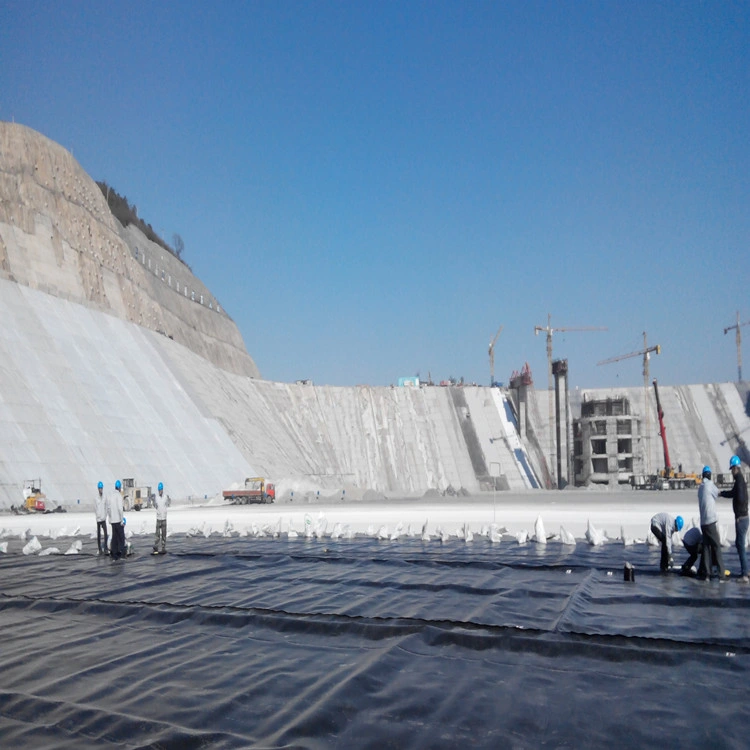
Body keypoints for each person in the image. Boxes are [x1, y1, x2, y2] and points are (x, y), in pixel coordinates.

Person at [719, 455, 748, 583]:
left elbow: (740, 498)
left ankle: (745, 575)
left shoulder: (740, 481)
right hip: (743, 518)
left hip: (741, 519)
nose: (731, 472)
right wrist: (722, 493)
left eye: (732, 469)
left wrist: (739, 514)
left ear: (736, 468)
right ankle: (746, 570)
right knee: (739, 544)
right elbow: (733, 493)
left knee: (740, 545)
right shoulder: (740, 481)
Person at [698, 465, 724, 580]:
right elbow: (717, 494)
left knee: (706, 548)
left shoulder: (700, 487)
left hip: (703, 522)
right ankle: (721, 574)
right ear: (709, 475)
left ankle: (707, 574)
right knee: (717, 546)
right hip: (710, 521)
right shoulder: (709, 485)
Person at [108, 479, 126, 561]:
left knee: (114, 538)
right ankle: (122, 554)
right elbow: (120, 508)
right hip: (118, 520)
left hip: (113, 521)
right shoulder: (118, 496)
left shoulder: (111, 495)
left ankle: (114, 555)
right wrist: (122, 519)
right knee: (121, 537)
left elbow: (108, 508)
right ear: (119, 488)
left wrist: (110, 518)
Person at [152, 481, 168, 555]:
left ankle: (163, 547)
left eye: (161, 489)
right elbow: (155, 505)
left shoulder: (165, 497)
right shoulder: (156, 498)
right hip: (158, 519)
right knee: (157, 534)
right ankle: (156, 547)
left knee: (164, 534)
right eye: (159, 490)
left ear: (162, 490)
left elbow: (167, 504)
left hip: (164, 518)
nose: (160, 491)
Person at [94, 481, 108, 555]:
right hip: (99, 519)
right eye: (99, 488)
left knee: (105, 533)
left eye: (101, 488)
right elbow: (95, 508)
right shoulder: (96, 498)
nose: (100, 490)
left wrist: (105, 515)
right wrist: (97, 516)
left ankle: (105, 548)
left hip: (103, 518)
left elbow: (106, 507)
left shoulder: (105, 497)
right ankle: (100, 549)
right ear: (98, 489)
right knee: (99, 534)